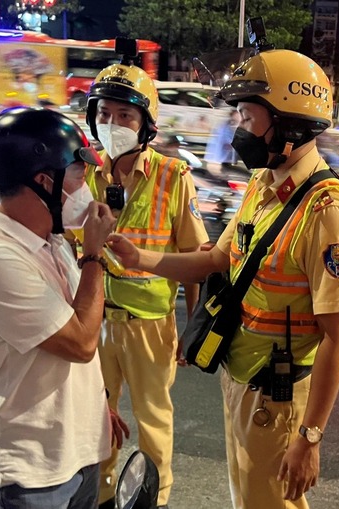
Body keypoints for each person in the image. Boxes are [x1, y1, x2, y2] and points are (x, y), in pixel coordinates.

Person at [107, 46, 339, 509]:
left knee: (268, 502)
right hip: (240, 377)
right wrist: (139, 257)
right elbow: (213, 260)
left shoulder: (327, 211)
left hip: (277, 395)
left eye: (247, 117)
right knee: (248, 496)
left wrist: (310, 436)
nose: (238, 130)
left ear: (288, 121)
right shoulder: (263, 186)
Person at [0, 107, 129, 509]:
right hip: (31, 478)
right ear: (44, 180)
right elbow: (82, 342)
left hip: (76, 455)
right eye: (78, 174)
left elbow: (72, 322)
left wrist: (96, 402)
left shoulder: (49, 241)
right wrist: (93, 254)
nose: (87, 186)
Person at [84, 57, 209, 509]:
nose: (111, 124)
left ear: (145, 124)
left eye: (124, 116)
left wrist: (192, 326)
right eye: (104, 114)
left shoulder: (173, 177)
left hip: (150, 324)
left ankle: (155, 500)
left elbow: (196, 257)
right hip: (93, 322)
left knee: (153, 420)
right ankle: (100, 495)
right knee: (96, 418)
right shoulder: (86, 174)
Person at [205, 108, 240, 175]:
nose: (239, 117)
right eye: (237, 115)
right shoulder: (225, 127)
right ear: (233, 115)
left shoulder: (230, 125)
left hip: (224, 160)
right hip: (219, 161)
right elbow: (228, 141)